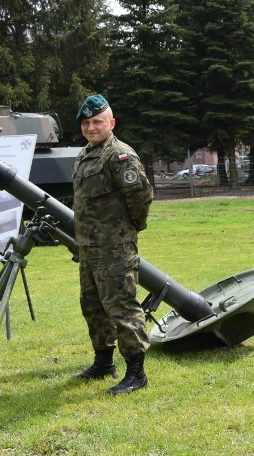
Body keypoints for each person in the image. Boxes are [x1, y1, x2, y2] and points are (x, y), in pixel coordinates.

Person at [71, 94, 154, 395]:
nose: (91, 128)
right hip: (89, 249)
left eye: (97, 122)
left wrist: (131, 229)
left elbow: (141, 196)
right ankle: (103, 363)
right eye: (86, 123)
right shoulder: (85, 155)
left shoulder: (119, 155)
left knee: (122, 308)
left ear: (111, 123)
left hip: (115, 248)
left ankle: (136, 373)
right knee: (93, 307)